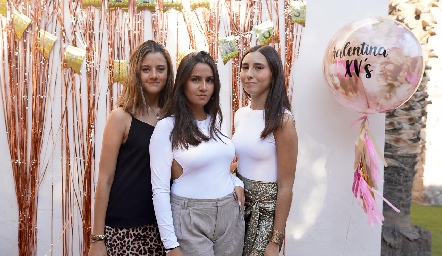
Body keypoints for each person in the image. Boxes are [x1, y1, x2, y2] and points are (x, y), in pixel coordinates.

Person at [150, 51, 245, 256]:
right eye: (195, 80)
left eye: (209, 80)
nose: (203, 87)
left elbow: (220, 163)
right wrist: (170, 245)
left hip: (230, 215)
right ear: (183, 83)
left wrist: (237, 183)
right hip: (190, 217)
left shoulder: (217, 119)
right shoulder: (167, 127)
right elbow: (159, 189)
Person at [88, 40, 174, 256]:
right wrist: (97, 240)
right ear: (136, 73)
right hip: (124, 229)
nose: (154, 75)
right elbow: (105, 180)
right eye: (146, 69)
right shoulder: (121, 117)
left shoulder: (175, 117)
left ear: (168, 73)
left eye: (160, 69)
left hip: (165, 228)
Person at [232, 45, 298, 256]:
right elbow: (241, 161)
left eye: (258, 67)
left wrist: (275, 241)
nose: (249, 74)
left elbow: (286, 186)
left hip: (266, 215)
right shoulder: (240, 114)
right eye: (244, 67)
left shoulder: (282, 120)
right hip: (238, 209)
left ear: (273, 73)